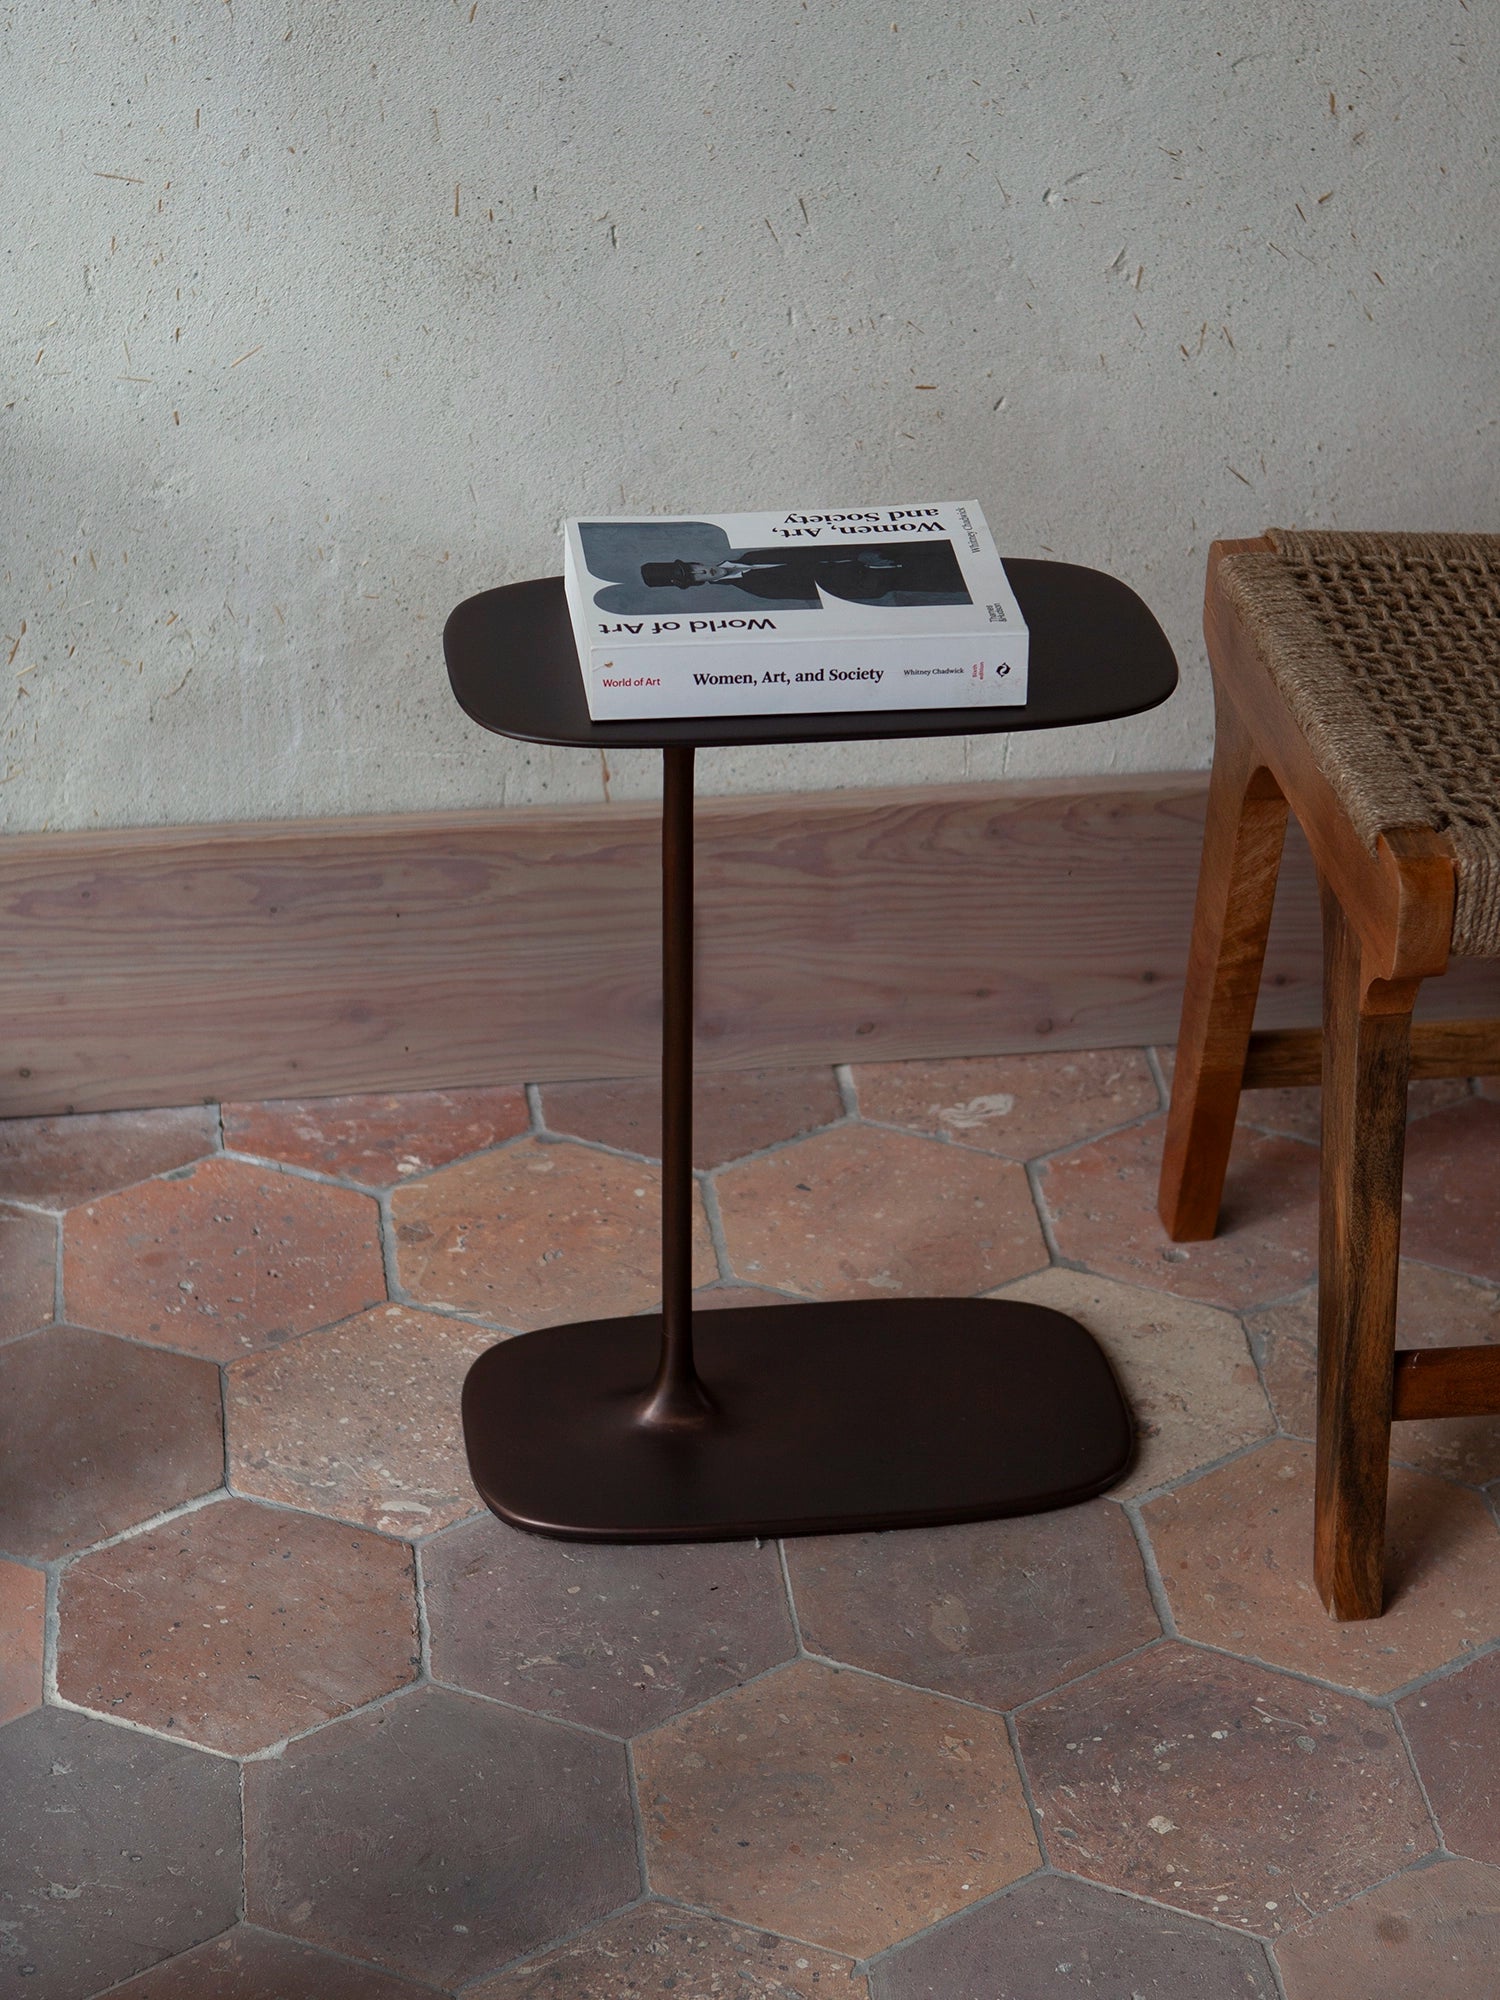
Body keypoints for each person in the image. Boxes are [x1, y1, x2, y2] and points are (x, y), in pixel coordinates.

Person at [639, 538, 970, 606]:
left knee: (959, 556)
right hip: (884, 578)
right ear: (699, 586)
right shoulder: (759, 589)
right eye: (696, 578)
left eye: (694, 568)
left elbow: (816, 545)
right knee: (954, 581)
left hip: (882, 550)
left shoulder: (752, 553)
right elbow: (828, 592)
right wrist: (875, 577)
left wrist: (864, 551)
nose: (703, 572)